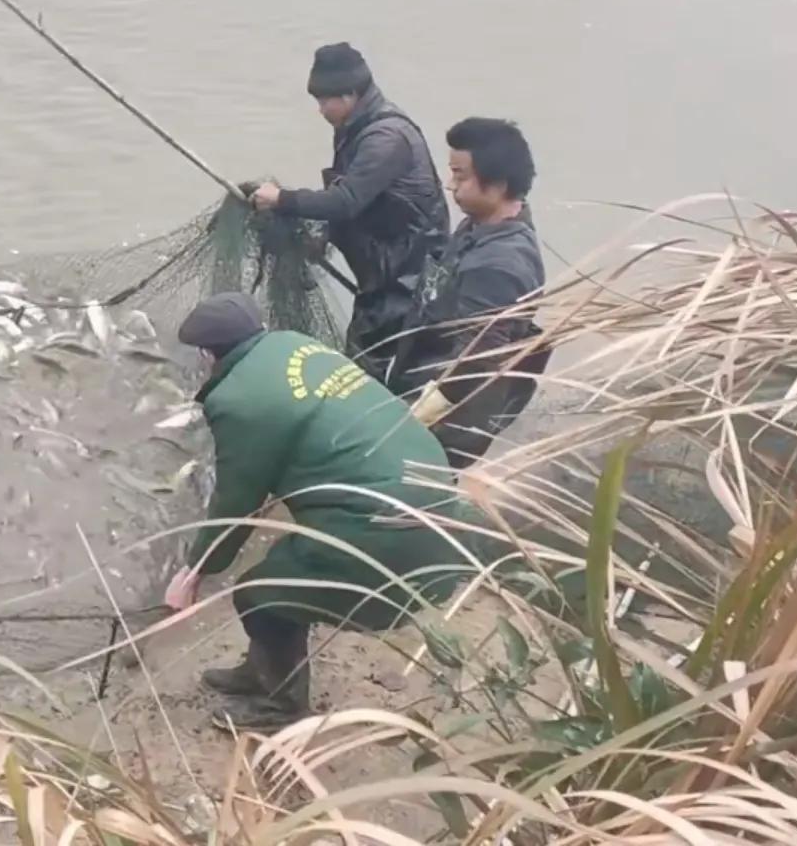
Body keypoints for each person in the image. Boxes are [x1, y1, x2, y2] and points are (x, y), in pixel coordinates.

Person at [158, 293, 467, 729]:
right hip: (435, 497)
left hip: (386, 528)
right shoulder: (293, 344)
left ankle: (283, 709)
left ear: (209, 354)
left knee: (260, 594)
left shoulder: (239, 400)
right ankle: (260, 671)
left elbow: (236, 501)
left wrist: (194, 571)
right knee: (285, 577)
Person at [247, 43, 449, 386]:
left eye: (326, 100)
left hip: (407, 279)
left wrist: (282, 199)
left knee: (368, 368)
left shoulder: (386, 138)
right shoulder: (355, 128)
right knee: (368, 362)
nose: (321, 109)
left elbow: (346, 201)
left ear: (352, 94)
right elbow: (354, 200)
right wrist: (323, 238)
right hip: (382, 273)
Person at [396, 118, 550, 469]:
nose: (451, 186)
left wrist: (407, 424)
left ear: (497, 185)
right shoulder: (480, 225)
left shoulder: (501, 265)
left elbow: (474, 364)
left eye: (461, 176)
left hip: (444, 422)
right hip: (418, 376)